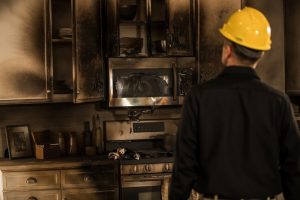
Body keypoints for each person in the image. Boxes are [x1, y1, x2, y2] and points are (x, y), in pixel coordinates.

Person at [170, 7, 300, 200]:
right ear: (261, 55)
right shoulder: (279, 102)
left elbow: (184, 167)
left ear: (227, 50)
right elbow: (294, 169)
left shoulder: (198, 97)